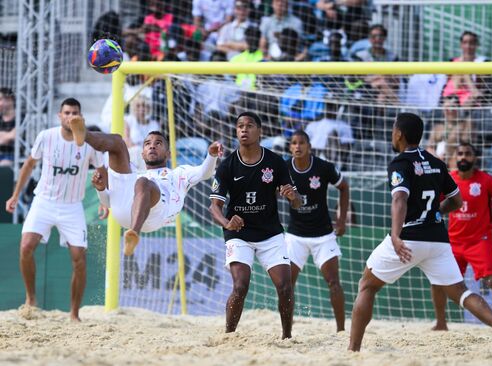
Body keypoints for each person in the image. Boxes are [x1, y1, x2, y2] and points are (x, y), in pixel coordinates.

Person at [348, 113, 492, 353]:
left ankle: (353, 350)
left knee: (367, 285)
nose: (391, 134)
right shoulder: (436, 162)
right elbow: (457, 201)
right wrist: (437, 211)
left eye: (393, 129)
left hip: (409, 237)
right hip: (438, 239)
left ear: (399, 134)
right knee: (461, 292)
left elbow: (399, 199)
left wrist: (396, 235)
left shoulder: (400, 163)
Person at [5, 98, 104, 321]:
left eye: (75, 113)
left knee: (79, 258)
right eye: (66, 113)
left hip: (72, 206)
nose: (70, 116)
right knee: (25, 247)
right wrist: (15, 195)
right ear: (60, 116)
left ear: (81, 117)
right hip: (45, 201)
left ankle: (74, 314)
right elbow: (29, 164)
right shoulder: (46, 136)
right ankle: (31, 298)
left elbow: (101, 172)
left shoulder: (89, 142)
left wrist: (104, 202)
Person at [209, 111, 302, 339]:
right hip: (239, 234)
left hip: (270, 234)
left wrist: (292, 197)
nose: (243, 129)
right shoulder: (227, 165)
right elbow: (214, 208)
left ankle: (287, 337)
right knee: (240, 286)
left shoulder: (275, 162)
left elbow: (298, 203)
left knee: (285, 287)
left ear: (259, 131)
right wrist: (227, 223)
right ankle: (229, 335)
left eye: (249, 125)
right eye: (240, 126)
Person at [70, 117, 221, 256]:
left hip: (155, 216)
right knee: (117, 141)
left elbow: (205, 173)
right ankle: (84, 135)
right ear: (142, 154)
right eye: (148, 144)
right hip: (124, 212)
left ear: (168, 154)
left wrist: (212, 155)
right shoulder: (135, 172)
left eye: (158, 143)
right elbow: (107, 202)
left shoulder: (178, 174)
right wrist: (101, 189)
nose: (152, 146)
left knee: (143, 183)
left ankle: (133, 235)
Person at [431, 142, 492, 331]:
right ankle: (441, 323)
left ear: (475, 158)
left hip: (479, 241)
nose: (463, 157)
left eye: (467, 154)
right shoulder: (448, 180)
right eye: (459, 154)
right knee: (437, 281)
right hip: (453, 242)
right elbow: (436, 207)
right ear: (454, 158)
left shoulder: (486, 180)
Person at [285, 130, 349, 332]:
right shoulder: (284, 168)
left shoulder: (323, 167)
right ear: (290, 147)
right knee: (286, 285)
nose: (297, 146)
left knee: (333, 283)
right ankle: (287, 330)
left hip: (323, 235)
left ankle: (340, 330)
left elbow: (344, 187)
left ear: (309, 146)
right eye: (293, 143)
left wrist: (341, 220)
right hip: (295, 235)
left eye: (301, 143)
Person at [0, 87, 16, 166]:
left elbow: (15, 135)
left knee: (4, 165)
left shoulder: (21, 118)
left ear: (9, 99)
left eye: (0, 100)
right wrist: (9, 135)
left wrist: (3, 136)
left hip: (15, 156)